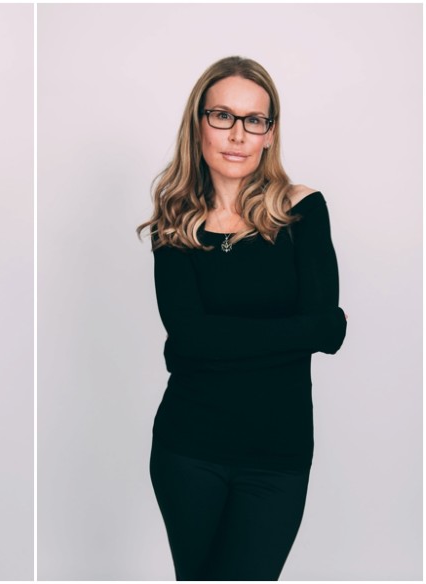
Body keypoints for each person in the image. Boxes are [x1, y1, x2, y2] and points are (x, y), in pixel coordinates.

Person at [137, 56, 347, 580]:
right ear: (199, 124)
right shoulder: (175, 224)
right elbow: (190, 335)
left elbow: (331, 331)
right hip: (189, 450)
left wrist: (211, 343)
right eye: (223, 116)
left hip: (278, 455)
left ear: (270, 134)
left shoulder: (303, 209)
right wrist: (292, 335)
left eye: (255, 120)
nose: (238, 135)